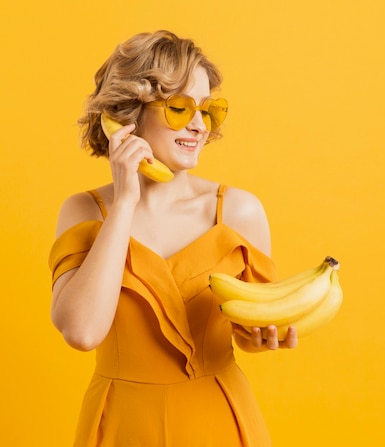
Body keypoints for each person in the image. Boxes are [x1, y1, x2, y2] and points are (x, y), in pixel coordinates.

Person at [48, 30, 297, 446]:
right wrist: (125, 201)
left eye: (207, 110)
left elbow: (250, 330)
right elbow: (82, 332)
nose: (199, 125)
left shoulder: (238, 212)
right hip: (120, 424)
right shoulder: (84, 211)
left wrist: (259, 337)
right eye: (180, 108)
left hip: (219, 417)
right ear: (126, 115)